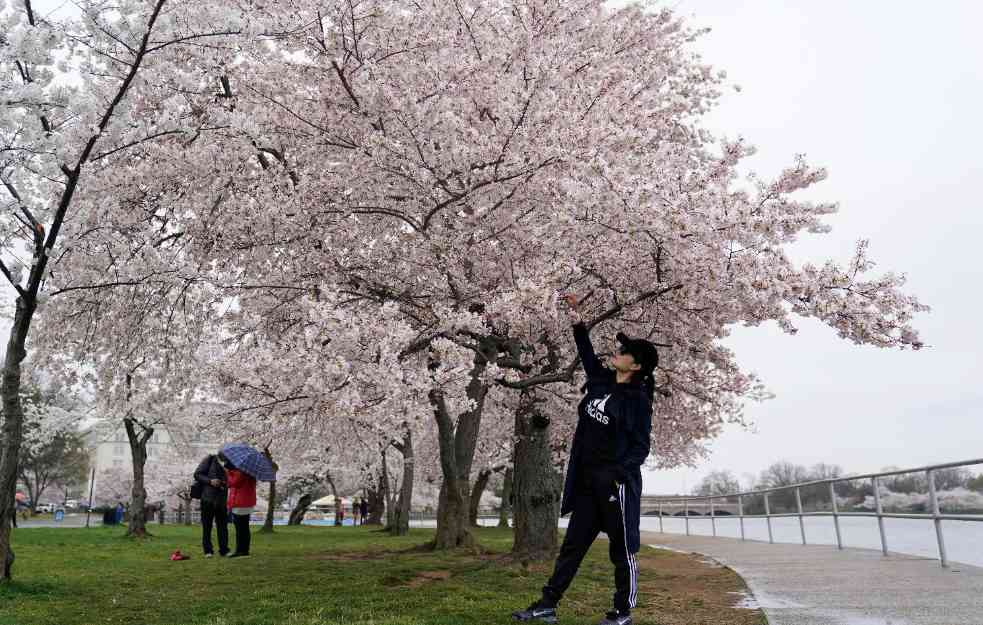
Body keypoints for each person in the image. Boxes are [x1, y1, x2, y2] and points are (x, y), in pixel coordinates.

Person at [512, 294, 656, 625]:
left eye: (624, 353)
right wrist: (577, 315)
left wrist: (618, 476)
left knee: (622, 551)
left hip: (615, 486)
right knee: (572, 547)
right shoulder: (601, 380)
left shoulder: (638, 401)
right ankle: (547, 604)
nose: (617, 354)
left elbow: (640, 447)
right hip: (588, 482)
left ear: (635, 365)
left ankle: (622, 612)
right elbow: (586, 352)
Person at [194, 452, 229, 558]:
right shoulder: (210, 459)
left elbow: (232, 480)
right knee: (207, 526)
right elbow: (197, 474)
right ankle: (208, 550)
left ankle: (224, 550)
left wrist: (225, 481)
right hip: (207, 498)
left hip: (222, 498)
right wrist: (210, 481)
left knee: (223, 526)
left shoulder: (230, 464)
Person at [221, 454, 257, 558]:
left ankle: (240, 550)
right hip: (245, 501)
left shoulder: (242, 472)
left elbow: (233, 482)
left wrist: (227, 472)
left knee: (240, 528)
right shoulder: (249, 471)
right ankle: (244, 550)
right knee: (244, 527)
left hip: (240, 502)